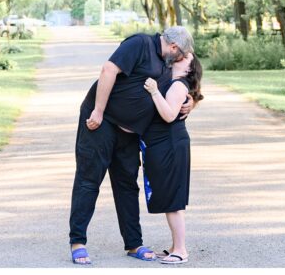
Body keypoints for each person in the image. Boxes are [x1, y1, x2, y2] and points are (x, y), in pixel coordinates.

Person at [68, 26, 195, 266]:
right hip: (101, 122)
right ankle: (78, 242)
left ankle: (133, 243)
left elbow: (187, 81)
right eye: (180, 55)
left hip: (130, 132)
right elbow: (108, 70)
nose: (181, 61)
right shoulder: (140, 44)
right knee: (89, 179)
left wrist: (191, 102)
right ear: (173, 47)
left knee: (127, 184)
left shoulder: (170, 63)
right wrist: (98, 110)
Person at [142, 53, 203, 265]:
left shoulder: (178, 85)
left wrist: (154, 91)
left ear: (189, 67)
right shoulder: (173, 79)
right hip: (167, 143)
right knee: (169, 196)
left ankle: (181, 250)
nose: (179, 57)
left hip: (171, 143)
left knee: (173, 199)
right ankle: (174, 247)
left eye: (185, 57)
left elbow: (168, 115)